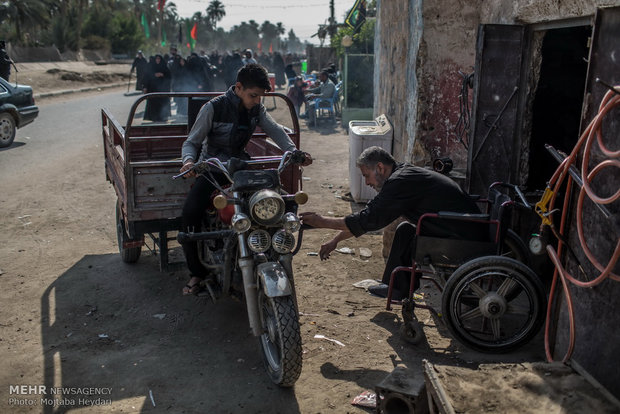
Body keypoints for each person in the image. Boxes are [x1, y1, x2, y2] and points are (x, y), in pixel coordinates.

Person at [179, 63, 313, 296]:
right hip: (213, 168)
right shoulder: (213, 108)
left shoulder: (256, 109)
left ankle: (273, 251)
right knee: (190, 213)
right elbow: (192, 142)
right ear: (238, 87)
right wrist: (189, 162)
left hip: (242, 168)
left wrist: (293, 152)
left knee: (282, 202)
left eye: (260, 97)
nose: (256, 101)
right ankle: (197, 273)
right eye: (253, 95)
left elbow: (276, 130)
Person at [300, 146, 482, 300]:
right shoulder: (400, 176)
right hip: (454, 225)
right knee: (405, 230)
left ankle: (396, 288)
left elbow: (368, 220)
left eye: (366, 175)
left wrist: (321, 221)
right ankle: (396, 288)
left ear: (379, 167)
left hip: (461, 232)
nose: (367, 182)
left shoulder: (400, 182)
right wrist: (335, 241)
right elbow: (368, 217)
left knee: (406, 231)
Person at [143, 54, 171, 122]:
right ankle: (154, 117)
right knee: (153, 103)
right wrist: (145, 87)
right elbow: (146, 77)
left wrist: (162, 75)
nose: (158, 60)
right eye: (156, 59)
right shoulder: (151, 67)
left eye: (159, 59)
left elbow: (169, 77)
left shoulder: (165, 67)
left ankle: (163, 116)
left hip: (163, 89)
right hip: (153, 88)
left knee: (163, 103)